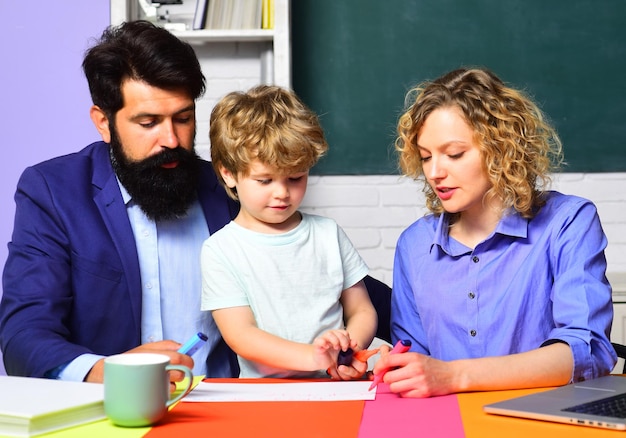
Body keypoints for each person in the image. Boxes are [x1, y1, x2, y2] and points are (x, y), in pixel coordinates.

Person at [0, 20, 240, 383]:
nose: (171, 140)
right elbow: (23, 335)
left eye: (183, 118)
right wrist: (106, 372)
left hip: (229, 414)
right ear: (103, 122)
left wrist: (343, 344)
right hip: (112, 414)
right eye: (148, 123)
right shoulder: (52, 191)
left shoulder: (232, 187)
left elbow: (322, 279)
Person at [373, 67, 616, 397]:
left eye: (454, 154)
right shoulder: (414, 244)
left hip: (539, 419)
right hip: (444, 424)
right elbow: (413, 356)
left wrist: (453, 375)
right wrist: (388, 365)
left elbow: (587, 350)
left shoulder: (569, 222)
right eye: (426, 157)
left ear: (501, 147)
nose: (434, 172)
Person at [201, 85, 378, 379]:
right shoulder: (220, 250)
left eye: (295, 177)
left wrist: (348, 350)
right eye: (265, 180)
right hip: (264, 398)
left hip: (337, 388)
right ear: (228, 174)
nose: (282, 193)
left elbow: (362, 310)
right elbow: (241, 335)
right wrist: (314, 357)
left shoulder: (327, 234)